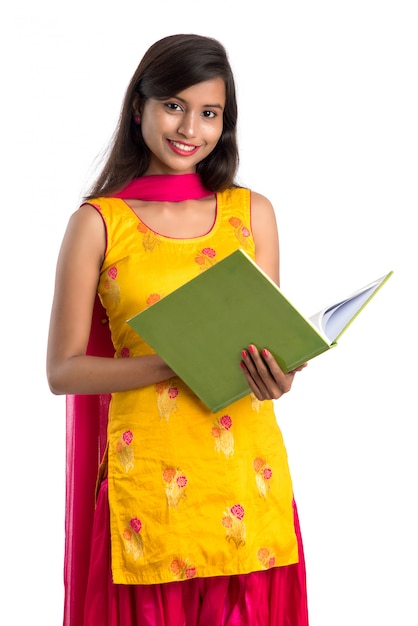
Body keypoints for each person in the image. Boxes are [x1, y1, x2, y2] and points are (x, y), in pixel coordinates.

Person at [47, 33, 309, 626]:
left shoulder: (252, 213)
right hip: (149, 495)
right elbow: (62, 371)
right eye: (174, 105)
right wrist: (177, 359)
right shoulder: (98, 223)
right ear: (139, 107)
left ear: (225, 124)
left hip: (246, 481)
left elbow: (265, 355)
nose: (191, 127)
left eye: (210, 113)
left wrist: (280, 374)